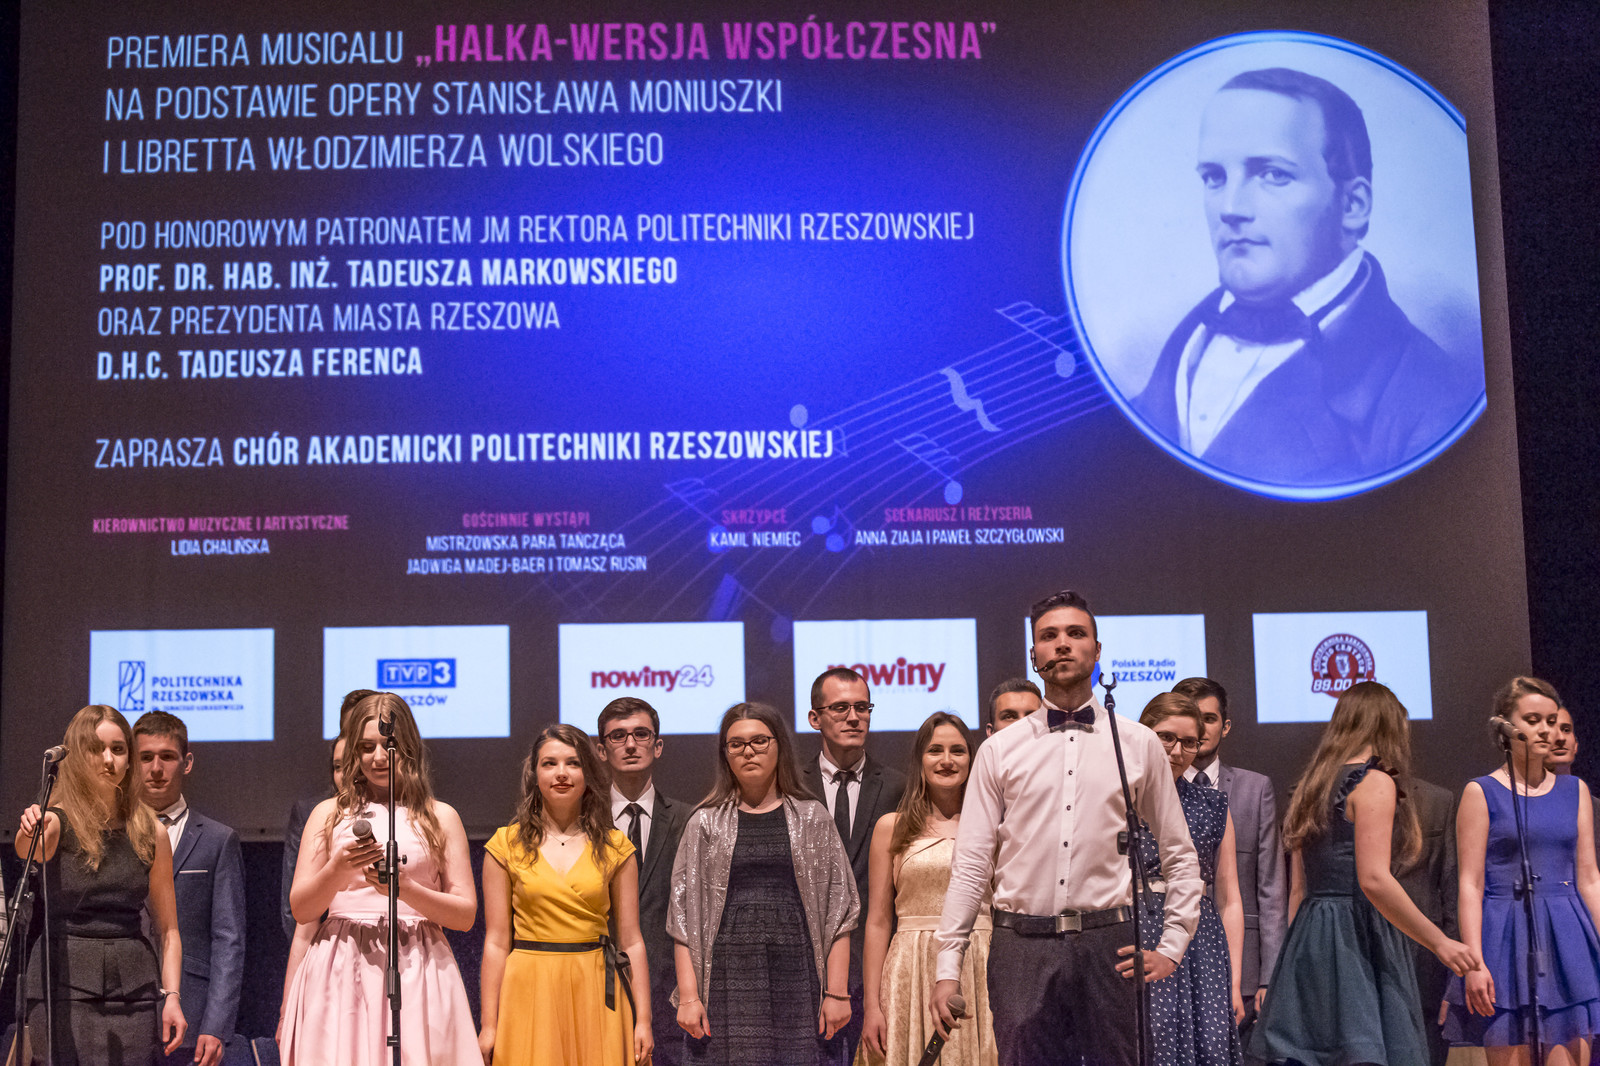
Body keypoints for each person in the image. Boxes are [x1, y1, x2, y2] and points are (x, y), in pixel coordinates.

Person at [1131, 66, 1482, 486]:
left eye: (1273, 174)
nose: (1230, 208)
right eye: (1214, 178)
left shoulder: (1432, 404)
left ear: (1352, 206)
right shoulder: (1180, 353)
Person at [933, 589, 1201, 1066]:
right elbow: (971, 866)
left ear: (1097, 650)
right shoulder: (999, 750)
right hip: (1021, 947)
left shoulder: (1137, 743)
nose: (1061, 644)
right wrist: (947, 966)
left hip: (1110, 944)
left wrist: (1173, 944)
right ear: (1033, 654)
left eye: (1075, 633)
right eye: (1048, 636)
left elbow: (1179, 852)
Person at [1250, 681, 1478, 1066]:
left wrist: (1293, 960)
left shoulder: (1311, 785)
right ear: (1390, 724)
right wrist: (1440, 942)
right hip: (1357, 934)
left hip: (1310, 934)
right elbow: (1373, 879)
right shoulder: (1374, 781)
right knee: (1366, 1049)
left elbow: (1298, 890)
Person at [280, 692, 478, 1066]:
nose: (378, 757)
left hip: (419, 964)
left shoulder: (440, 816)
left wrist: (407, 889)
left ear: (409, 747)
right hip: (341, 965)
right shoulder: (328, 814)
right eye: (365, 747)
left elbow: (465, 916)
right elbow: (301, 910)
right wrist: (336, 872)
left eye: (389, 745)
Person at [669, 702, 858, 1066]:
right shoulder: (704, 823)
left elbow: (840, 914)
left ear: (779, 746)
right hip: (726, 977)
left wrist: (836, 993)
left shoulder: (813, 817)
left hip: (799, 976)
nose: (748, 751)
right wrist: (690, 998)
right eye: (736, 744)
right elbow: (682, 921)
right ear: (725, 754)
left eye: (759, 741)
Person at [14, 705, 187, 1065]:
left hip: (135, 991)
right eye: (96, 749)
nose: (108, 760)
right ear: (76, 755)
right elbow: (25, 848)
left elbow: (169, 930)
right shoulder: (56, 822)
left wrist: (172, 996)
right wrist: (30, 825)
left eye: (118, 749)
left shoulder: (151, 831)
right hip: (63, 988)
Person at [1444, 676, 1600, 1063]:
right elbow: (1470, 884)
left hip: (1567, 938)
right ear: (1505, 727)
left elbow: (1590, 878)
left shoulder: (1575, 790)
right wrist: (1474, 964)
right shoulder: (1481, 792)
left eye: (1551, 720)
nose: (1546, 730)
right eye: (1533, 720)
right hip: (1505, 938)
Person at [479, 723, 652, 1066]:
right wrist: (488, 1025)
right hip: (528, 987)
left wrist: (643, 1020)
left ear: (588, 774)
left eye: (573, 763)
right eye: (549, 763)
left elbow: (632, 941)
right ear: (535, 774)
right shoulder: (505, 845)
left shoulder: (615, 846)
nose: (561, 773)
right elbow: (496, 942)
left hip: (596, 987)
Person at [857, 712, 997, 1066]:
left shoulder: (993, 826)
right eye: (935, 750)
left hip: (978, 964)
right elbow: (877, 921)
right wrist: (871, 1006)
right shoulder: (892, 827)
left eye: (957, 751)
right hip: (909, 969)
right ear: (920, 760)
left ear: (972, 759)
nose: (947, 760)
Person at [1172, 675, 1285, 1054]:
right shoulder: (1151, 789)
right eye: (1192, 717)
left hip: (1243, 964)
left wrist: (1269, 976)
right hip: (1169, 951)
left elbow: (1271, 888)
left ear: (1226, 725)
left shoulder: (1256, 788)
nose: (1201, 728)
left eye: (1209, 718)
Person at [800, 668, 907, 1063]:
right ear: (815, 718)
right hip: (804, 967)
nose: (853, 717)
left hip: (877, 965)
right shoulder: (791, 786)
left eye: (862, 708)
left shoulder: (898, 787)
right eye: (841, 708)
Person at [1134, 693, 1245, 1066]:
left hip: (1199, 943)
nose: (1177, 751)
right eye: (1166, 737)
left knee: (1206, 1047)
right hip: (1131, 931)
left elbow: (1229, 898)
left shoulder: (1211, 805)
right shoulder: (1114, 799)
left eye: (1189, 742)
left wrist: (1234, 981)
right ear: (1144, 734)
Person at [133, 711, 247, 1066]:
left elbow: (229, 938)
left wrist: (216, 1024)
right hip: (122, 1005)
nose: (156, 768)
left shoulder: (217, 839)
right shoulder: (111, 836)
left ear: (187, 762)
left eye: (167, 756)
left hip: (192, 1011)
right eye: (145, 757)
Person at [596, 697, 691, 1066]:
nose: (631, 744)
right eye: (618, 736)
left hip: (672, 992)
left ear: (658, 745)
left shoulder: (689, 819)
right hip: (598, 983)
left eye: (641, 734)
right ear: (601, 750)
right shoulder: (583, 821)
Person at [281, 688, 375, 939]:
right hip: (330, 945)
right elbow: (295, 911)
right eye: (351, 732)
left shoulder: (412, 811)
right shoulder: (313, 812)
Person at [1391, 771, 1458, 1066]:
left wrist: (1454, 979)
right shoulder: (1339, 795)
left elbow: (1452, 890)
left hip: (1426, 960)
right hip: (1360, 949)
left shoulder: (1437, 800)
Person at [1545, 704, 1600, 857]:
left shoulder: (1596, 809)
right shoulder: (1520, 807)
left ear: (1575, 745)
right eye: (1550, 731)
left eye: (1566, 730)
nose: (1560, 738)